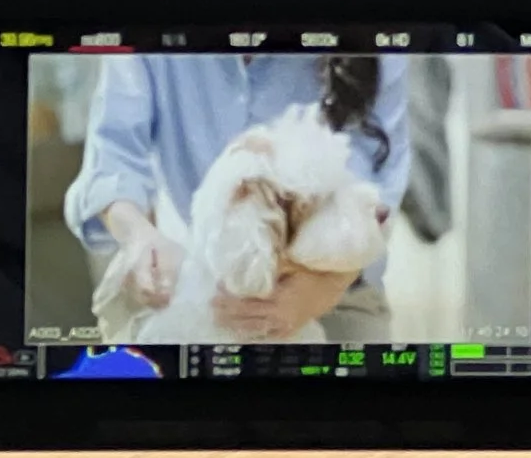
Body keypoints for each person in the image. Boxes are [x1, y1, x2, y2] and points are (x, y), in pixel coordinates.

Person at [62, 55, 410, 340]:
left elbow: (376, 203)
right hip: (208, 278)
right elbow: (113, 155)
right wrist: (138, 234)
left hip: (340, 287)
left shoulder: (378, 48)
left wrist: (321, 289)